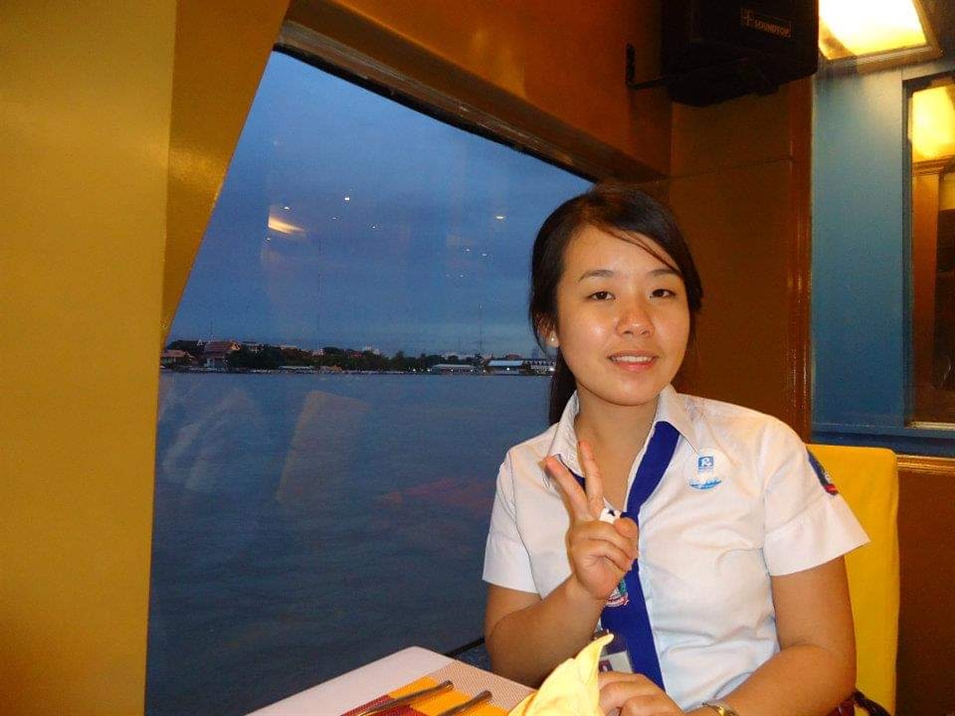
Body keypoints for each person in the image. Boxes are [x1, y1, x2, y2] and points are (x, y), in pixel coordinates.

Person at [482, 184, 868, 716]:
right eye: (601, 295)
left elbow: (826, 655)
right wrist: (581, 592)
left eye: (662, 292)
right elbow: (510, 662)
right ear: (549, 324)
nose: (637, 321)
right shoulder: (525, 469)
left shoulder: (764, 448)